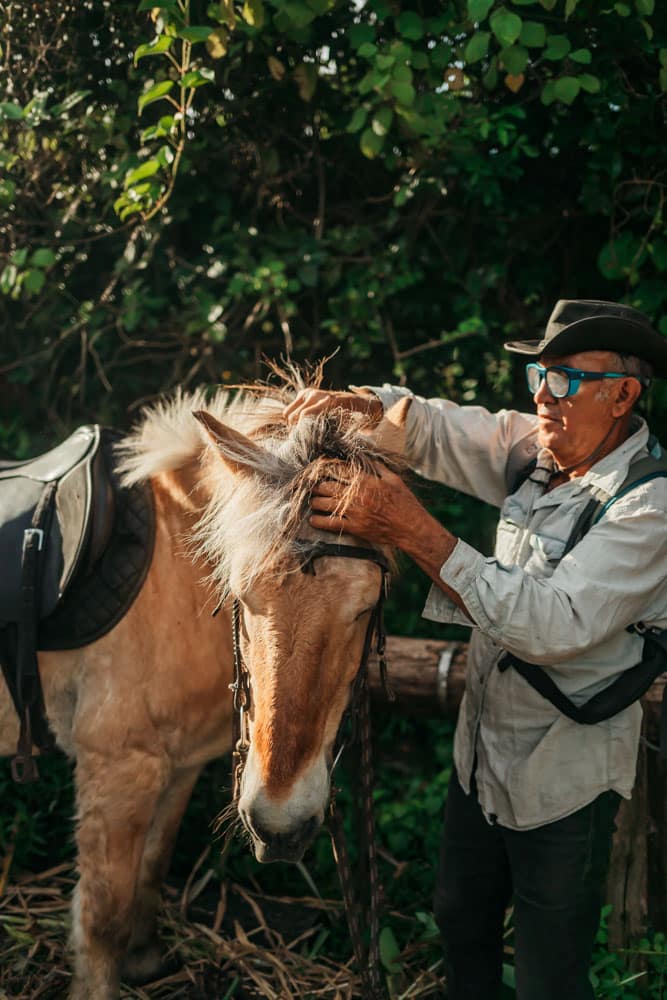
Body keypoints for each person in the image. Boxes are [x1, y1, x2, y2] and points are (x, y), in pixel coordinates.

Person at [283, 299, 667, 1000]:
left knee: (550, 977)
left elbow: (549, 625)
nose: (543, 400)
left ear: (622, 396)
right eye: (537, 380)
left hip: (563, 783)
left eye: (566, 383)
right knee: (460, 924)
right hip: (478, 760)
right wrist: (359, 404)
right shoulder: (539, 452)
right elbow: (432, 429)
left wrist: (410, 528)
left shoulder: (649, 507)